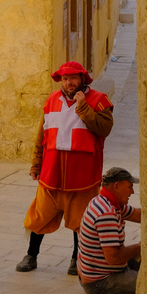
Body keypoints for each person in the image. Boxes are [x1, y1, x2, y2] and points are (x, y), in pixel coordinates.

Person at [15, 60, 113, 275]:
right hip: (52, 174)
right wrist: (36, 163)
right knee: (38, 217)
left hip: (83, 177)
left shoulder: (99, 101)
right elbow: (43, 136)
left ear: (82, 79)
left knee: (81, 222)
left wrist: (83, 107)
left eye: (73, 78)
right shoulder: (52, 100)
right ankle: (31, 255)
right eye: (65, 78)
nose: (69, 83)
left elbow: (104, 129)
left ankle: (75, 260)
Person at [77, 165, 141, 294]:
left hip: (98, 272)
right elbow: (114, 258)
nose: (132, 192)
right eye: (129, 187)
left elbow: (138, 215)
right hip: (101, 281)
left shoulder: (107, 202)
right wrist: (140, 247)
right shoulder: (106, 213)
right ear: (117, 186)